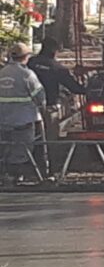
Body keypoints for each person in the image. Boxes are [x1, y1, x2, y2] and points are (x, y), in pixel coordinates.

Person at [0, 43, 46, 183]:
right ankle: (20, 176)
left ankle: (6, 176)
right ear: (26, 57)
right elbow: (40, 96)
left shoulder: (2, 73)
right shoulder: (27, 74)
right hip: (24, 119)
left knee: (6, 148)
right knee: (24, 149)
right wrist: (42, 110)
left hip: (3, 119)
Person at [28, 37, 86, 141]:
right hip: (48, 107)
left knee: (28, 138)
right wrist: (85, 85)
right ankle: (49, 155)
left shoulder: (30, 63)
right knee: (50, 138)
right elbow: (75, 88)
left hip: (28, 108)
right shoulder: (57, 68)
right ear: (54, 50)